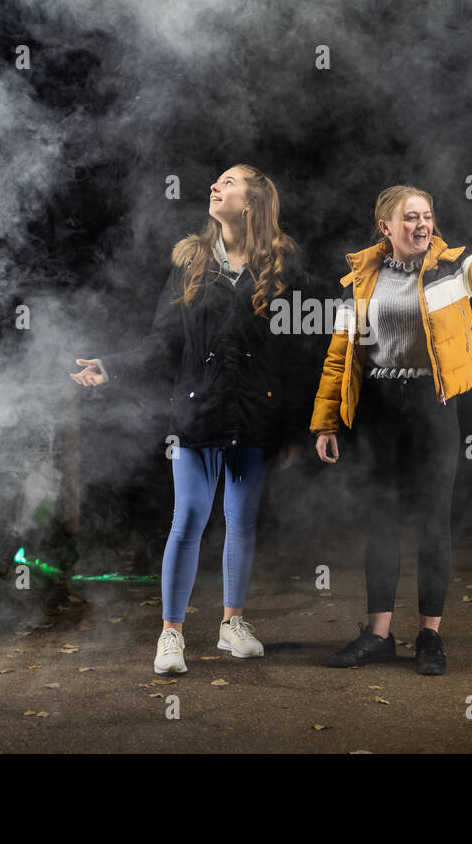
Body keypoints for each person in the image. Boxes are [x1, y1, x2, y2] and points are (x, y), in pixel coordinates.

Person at [312, 185, 472, 674]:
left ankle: (430, 636)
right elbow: (339, 355)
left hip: (433, 408)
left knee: (433, 523)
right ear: (385, 227)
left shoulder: (451, 269)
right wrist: (327, 420)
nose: (421, 225)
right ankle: (378, 636)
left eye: (427, 216)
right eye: (409, 217)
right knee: (382, 523)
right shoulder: (360, 280)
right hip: (376, 409)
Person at [72, 164, 311, 674]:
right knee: (188, 521)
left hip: (255, 415)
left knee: (241, 523)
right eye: (216, 182)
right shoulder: (191, 261)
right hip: (198, 412)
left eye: (227, 183)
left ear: (251, 201)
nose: (214, 188)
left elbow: (296, 351)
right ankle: (171, 635)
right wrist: (110, 366)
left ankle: (232, 626)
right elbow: (162, 340)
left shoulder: (284, 264)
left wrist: (292, 427)